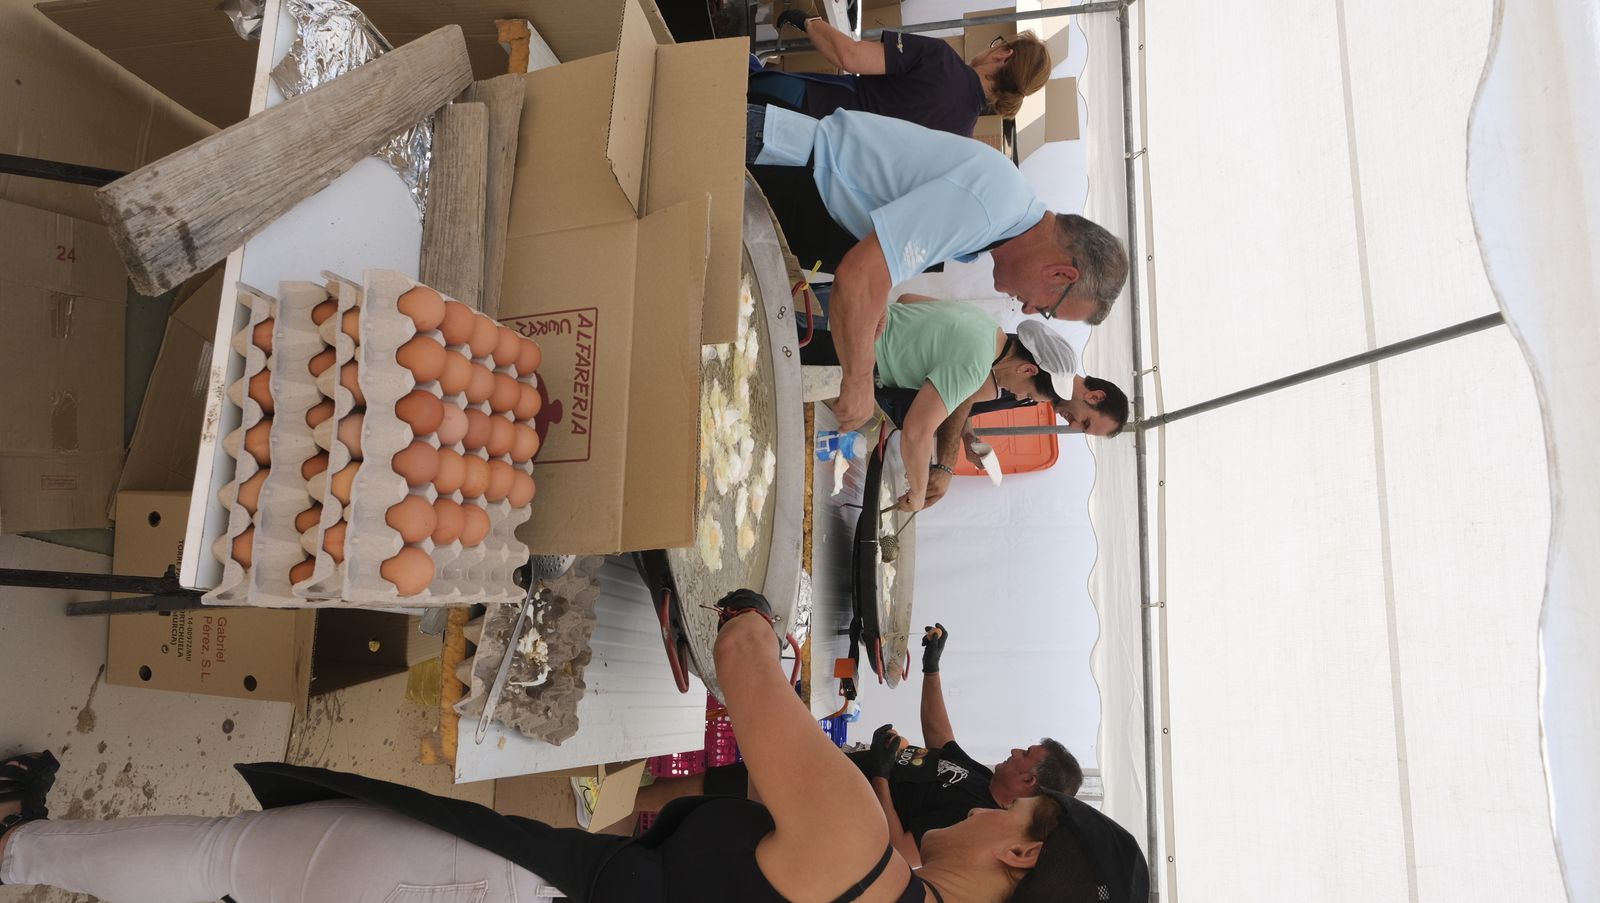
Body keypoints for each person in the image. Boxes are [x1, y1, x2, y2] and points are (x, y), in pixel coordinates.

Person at [0, 590, 1148, 903]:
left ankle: (15, 852)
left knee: (222, 865)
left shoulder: (860, 845)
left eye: (1021, 820)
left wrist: (742, 606)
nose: (996, 806)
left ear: (1016, 856)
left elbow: (746, 659)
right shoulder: (878, 864)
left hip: (495, 891)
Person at [745, 104, 1129, 431]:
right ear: (1061, 275)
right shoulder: (990, 208)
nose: (1028, 311)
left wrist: (875, 304)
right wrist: (858, 380)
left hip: (798, 190)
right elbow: (860, 274)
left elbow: (883, 258)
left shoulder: (1000, 220)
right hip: (778, 167)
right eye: (1047, 307)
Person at [636, 622, 1084, 867]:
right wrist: (931, 668)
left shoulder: (972, 819)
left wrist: (883, 776)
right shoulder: (982, 778)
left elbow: (901, 852)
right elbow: (941, 738)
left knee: (716, 794)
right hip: (829, 768)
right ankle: (623, 800)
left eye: (1026, 754)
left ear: (1028, 780)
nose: (1015, 750)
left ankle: (615, 813)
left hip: (823, 806)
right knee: (716, 783)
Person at [799, 296, 1063, 511]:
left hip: (841, 321)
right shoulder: (976, 366)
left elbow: (906, 300)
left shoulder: (983, 323)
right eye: (1026, 393)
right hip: (837, 356)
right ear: (1027, 370)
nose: (1017, 396)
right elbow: (916, 432)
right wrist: (917, 491)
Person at [752, 12, 1051, 137]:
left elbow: (850, 56)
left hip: (805, 106)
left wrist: (808, 20)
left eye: (998, 44)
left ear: (1003, 54)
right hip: (813, 161)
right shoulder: (961, 136)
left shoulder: (941, 59)